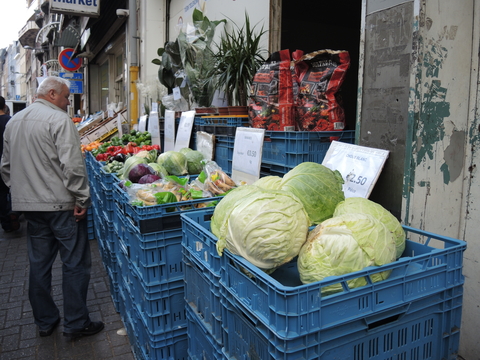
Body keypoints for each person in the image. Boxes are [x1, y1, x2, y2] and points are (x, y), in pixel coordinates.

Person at [0, 77, 104, 339]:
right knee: (75, 264)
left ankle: (45, 322)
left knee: (39, 265)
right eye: (67, 97)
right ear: (52, 93)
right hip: (62, 205)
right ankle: (76, 323)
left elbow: (5, 167)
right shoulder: (59, 120)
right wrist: (82, 199)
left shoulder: (14, 122)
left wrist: (22, 193)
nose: (69, 102)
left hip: (31, 207)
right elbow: (72, 166)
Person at [0, 96, 20, 232]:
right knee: (14, 188)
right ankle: (15, 211)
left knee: (1, 195)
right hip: (11, 161)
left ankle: (6, 222)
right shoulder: (10, 121)